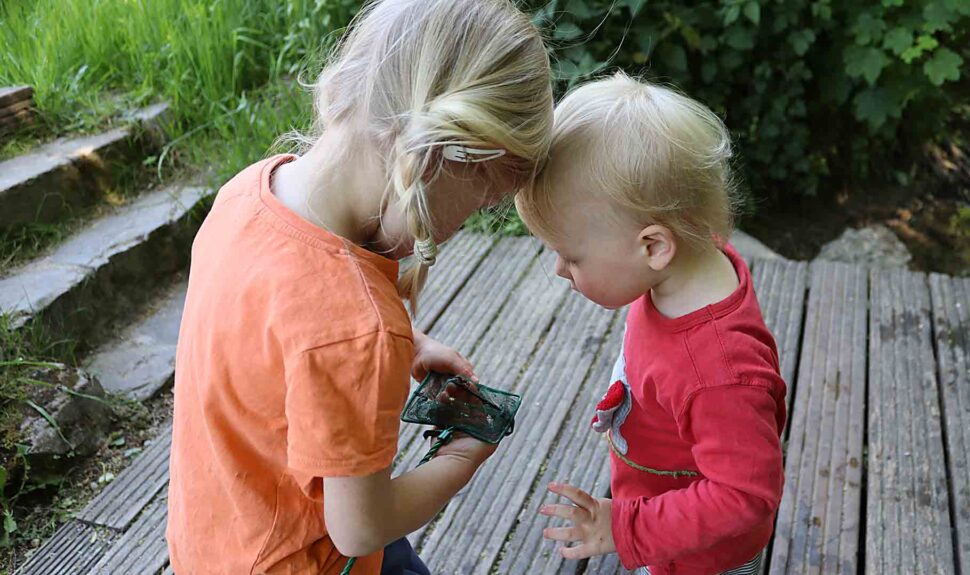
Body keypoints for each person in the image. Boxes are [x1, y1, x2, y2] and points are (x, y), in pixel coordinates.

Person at [165, 1, 553, 573]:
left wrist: (409, 344)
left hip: (215, 540)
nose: (461, 226)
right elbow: (360, 527)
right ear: (438, 158)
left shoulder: (245, 195)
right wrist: (463, 458)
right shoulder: (358, 329)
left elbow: (280, 331)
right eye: (480, 203)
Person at [517, 72, 786, 575]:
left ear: (653, 246)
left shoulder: (719, 374)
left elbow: (745, 495)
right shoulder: (679, 274)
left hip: (701, 559)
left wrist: (627, 528)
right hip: (659, 509)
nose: (558, 270)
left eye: (571, 256)